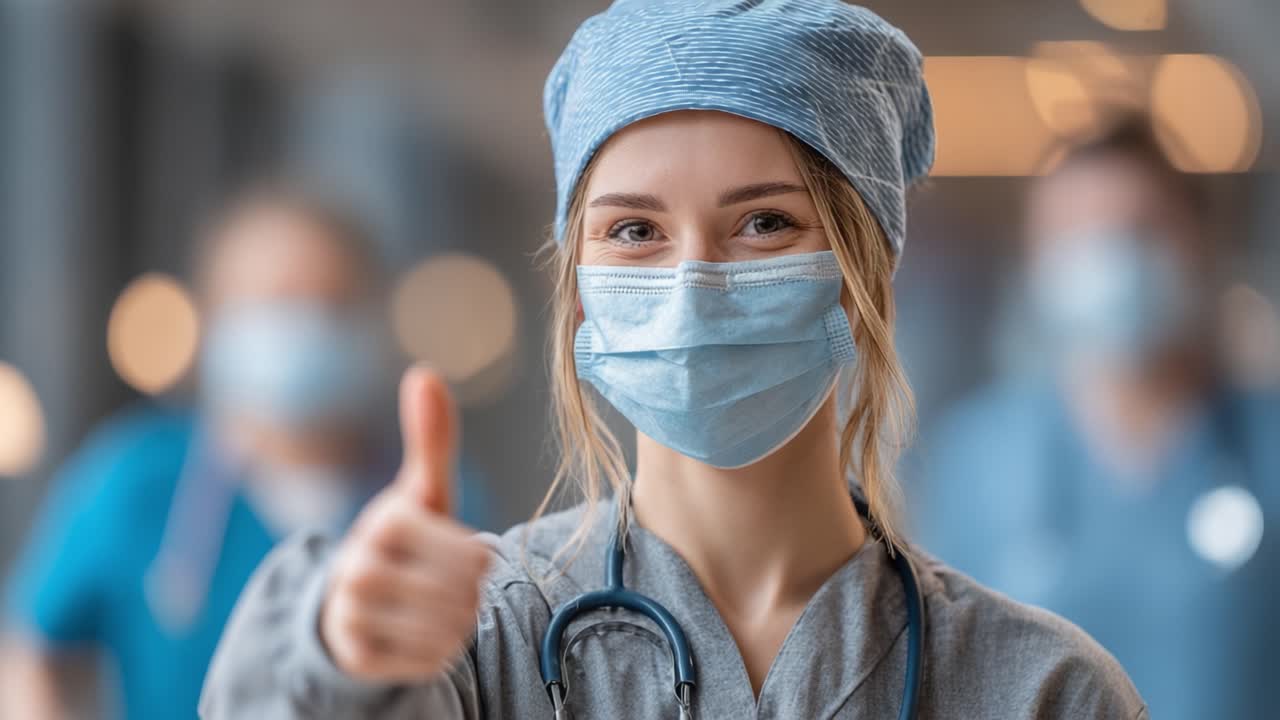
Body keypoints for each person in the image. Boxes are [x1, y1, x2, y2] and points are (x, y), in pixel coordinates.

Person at [201, 3, 1146, 718]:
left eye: (765, 223)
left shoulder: (1040, 688)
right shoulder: (477, 646)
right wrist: (339, 661)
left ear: (866, 283)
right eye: (636, 230)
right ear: (577, 292)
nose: (694, 281)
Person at [1, 187, 490, 719]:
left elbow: (490, 663)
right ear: (214, 316)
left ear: (370, 319)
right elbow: (31, 646)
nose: (302, 328)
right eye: (274, 304)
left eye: (331, 303)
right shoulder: (140, 480)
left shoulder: (435, 496)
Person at [913, 114, 1280, 720]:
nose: (1109, 259)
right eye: (1076, 235)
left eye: (1140, 230)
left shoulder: (1265, 446)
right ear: (1036, 262)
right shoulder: (977, 458)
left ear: (1199, 242)